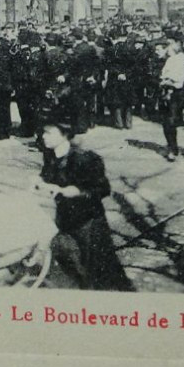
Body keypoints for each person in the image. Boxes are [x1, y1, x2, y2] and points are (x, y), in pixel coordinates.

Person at [35, 123, 133, 291]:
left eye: (49, 133)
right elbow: (48, 178)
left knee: (98, 269)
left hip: (89, 222)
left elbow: (102, 189)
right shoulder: (50, 155)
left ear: (64, 134)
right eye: (43, 132)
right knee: (73, 264)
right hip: (65, 218)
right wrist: (38, 183)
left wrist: (76, 191)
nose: (43, 136)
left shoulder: (85, 158)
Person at [157, 36, 184, 162]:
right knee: (165, 122)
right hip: (166, 92)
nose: (167, 49)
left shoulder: (180, 59)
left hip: (175, 93)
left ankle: (173, 148)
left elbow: (178, 79)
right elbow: (163, 75)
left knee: (170, 121)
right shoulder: (169, 60)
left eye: (169, 46)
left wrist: (167, 79)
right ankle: (171, 146)